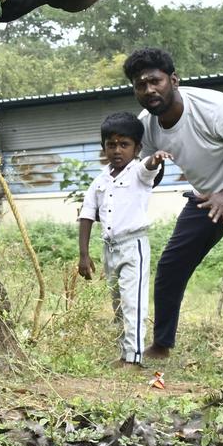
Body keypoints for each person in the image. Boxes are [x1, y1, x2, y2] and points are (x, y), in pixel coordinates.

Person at [124, 47, 223, 364]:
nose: (149, 90)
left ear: (173, 80)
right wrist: (149, 168)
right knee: (172, 264)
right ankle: (161, 344)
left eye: (155, 81)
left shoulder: (215, 109)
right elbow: (148, 175)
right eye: (140, 85)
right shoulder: (148, 124)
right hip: (208, 195)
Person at [78, 112, 170, 366]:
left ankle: (134, 358)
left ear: (137, 148)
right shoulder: (100, 181)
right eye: (111, 144)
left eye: (124, 144)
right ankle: (124, 353)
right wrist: (84, 255)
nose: (117, 150)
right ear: (103, 147)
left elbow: (149, 167)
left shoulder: (138, 173)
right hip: (110, 249)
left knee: (133, 302)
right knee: (118, 304)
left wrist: (156, 158)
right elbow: (87, 214)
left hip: (134, 246)